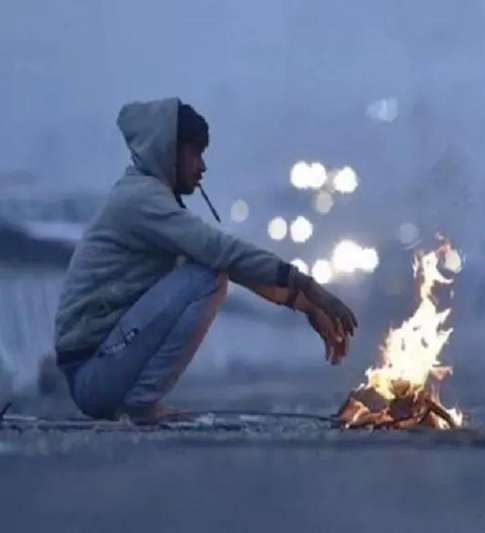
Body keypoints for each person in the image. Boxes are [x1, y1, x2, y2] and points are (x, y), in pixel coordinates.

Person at [54, 97, 357, 424]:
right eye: (195, 154)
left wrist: (305, 304)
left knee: (211, 270)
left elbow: (235, 265)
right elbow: (222, 253)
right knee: (207, 276)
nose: (202, 167)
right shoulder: (141, 200)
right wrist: (310, 285)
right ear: (168, 151)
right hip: (94, 375)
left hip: (101, 369)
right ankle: (140, 403)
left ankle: (139, 402)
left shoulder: (148, 196)